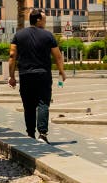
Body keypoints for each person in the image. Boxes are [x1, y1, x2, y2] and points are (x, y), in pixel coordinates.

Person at [8, 9, 66, 144]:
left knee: (28, 105)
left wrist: (11, 76)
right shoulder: (48, 36)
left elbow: (12, 56)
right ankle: (43, 135)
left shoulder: (19, 35)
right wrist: (62, 71)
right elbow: (57, 56)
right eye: (44, 19)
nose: (45, 22)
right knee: (43, 103)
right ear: (38, 20)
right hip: (43, 75)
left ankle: (29, 134)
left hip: (25, 75)